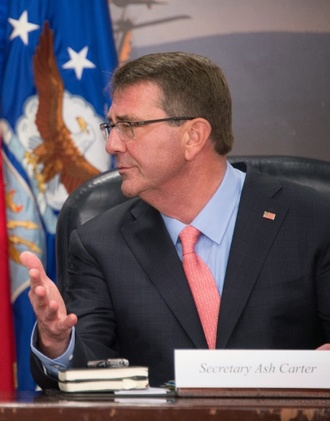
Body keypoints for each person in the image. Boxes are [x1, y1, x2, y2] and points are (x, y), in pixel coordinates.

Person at [21, 51, 330, 388]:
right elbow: (92, 374)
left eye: (128, 126)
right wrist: (57, 343)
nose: (111, 144)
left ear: (193, 136)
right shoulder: (99, 243)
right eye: (112, 126)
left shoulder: (312, 220)